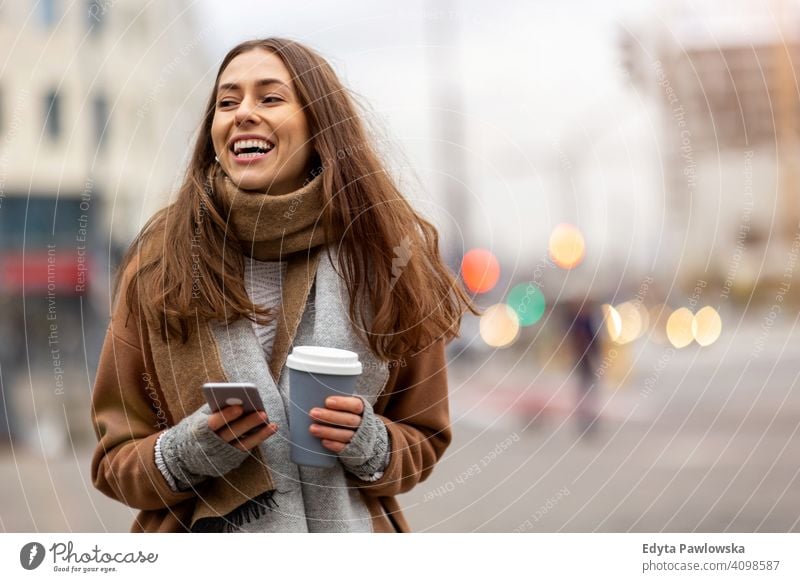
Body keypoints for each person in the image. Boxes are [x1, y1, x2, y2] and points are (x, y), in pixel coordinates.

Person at [90, 37, 478, 533]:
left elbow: (424, 436)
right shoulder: (159, 264)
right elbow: (112, 462)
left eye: (269, 97)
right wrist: (190, 451)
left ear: (319, 125)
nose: (243, 113)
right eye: (227, 102)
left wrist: (369, 442)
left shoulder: (385, 257)